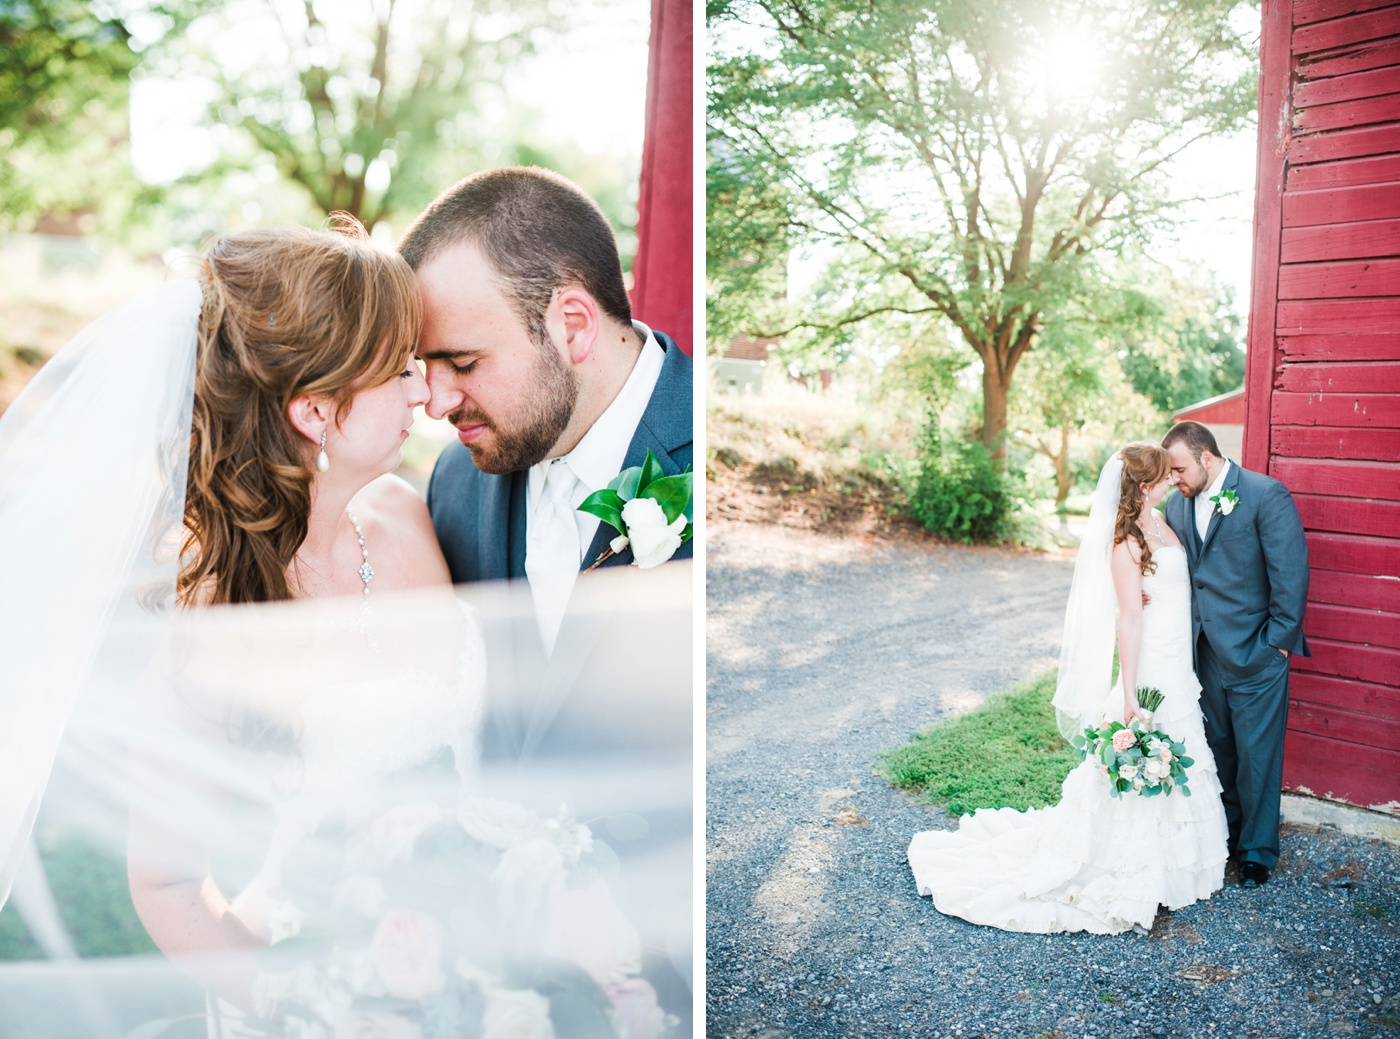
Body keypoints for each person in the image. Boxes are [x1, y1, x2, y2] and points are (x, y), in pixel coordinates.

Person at [907, 443, 1229, 934]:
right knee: (1149, 757)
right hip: (1152, 668)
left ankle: (1176, 865)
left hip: (1179, 660)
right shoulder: (1126, 545)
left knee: (1184, 749)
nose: (1172, 482)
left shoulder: (1164, 523)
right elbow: (1129, 619)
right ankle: (1131, 869)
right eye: (1164, 478)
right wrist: (1129, 694)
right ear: (1144, 487)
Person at [397, 166, 694, 655]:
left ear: (572, 327)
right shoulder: (453, 482)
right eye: (424, 365)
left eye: (463, 363)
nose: (436, 402)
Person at [1160, 420, 1310, 888]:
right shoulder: (1176, 504)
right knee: (1217, 749)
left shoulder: (1266, 495)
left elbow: (1291, 575)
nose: (1174, 479)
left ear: (1206, 458)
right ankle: (1222, 835)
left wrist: (1277, 645)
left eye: (1180, 468)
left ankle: (1257, 851)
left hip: (1257, 653)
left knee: (1258, 755)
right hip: (1203, 653)